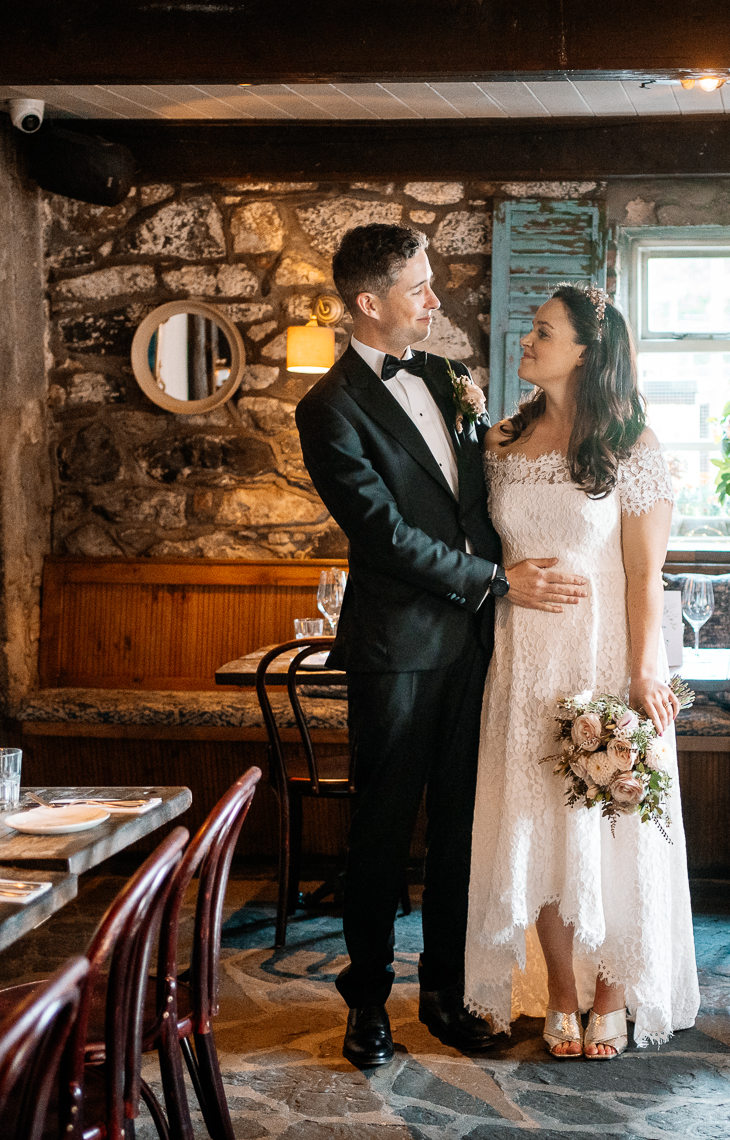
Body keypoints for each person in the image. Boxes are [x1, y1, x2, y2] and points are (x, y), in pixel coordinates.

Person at [296, 225, 589, 1067]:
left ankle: (446, 995)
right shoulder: (328, 409)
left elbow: (486, 498)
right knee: (383, 832)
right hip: (396, 651)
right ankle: (368, 1003)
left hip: (480, 646)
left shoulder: (448, 379)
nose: (435, 301)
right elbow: (382, 536)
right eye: (420, 288)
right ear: (369, 303)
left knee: (465, 827)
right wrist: (498, 581)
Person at [465, 284, 699, 1059]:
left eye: (542, 332)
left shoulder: (633, 447)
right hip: (525, 660)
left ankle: (613, 994)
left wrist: (638, 673)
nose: (526, 342)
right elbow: (487, 553)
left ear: (586, 354)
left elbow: (644, 573)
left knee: (613, 827)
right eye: (531, 329)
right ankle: (560, 991)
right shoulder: (501, 441)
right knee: (535, 825)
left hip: (604, 657)